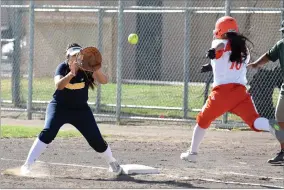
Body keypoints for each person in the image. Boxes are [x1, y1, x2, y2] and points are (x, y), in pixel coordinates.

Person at [180, 16, 277, 163]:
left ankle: (192, 153)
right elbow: (230, 60)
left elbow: (220, 47)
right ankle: (274, 125)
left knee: (203, 120)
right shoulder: (244, 48)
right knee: (255, 122)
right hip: (241, 93)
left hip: (222, 94)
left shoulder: (219, 42)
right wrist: (212, 64)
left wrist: (213, 51)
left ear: (220, 30)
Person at [20, 43, 122, 175]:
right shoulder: (62, 68)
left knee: (96, 140)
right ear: (67, 58)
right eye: (73, 56)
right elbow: (59, 85)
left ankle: (112, 162)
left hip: (80, 110)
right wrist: (70, 74)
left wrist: (96, 69)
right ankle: (27, 165)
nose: (76, 58)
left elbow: (104, 81)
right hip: (59, 107)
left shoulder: (87, 69)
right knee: (48, 132)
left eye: (78, 55)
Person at [247, 20, 284, 164]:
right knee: (278, 118)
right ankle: (283, 151)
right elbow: (269, 55)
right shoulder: (281, 45)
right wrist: (256, 64)